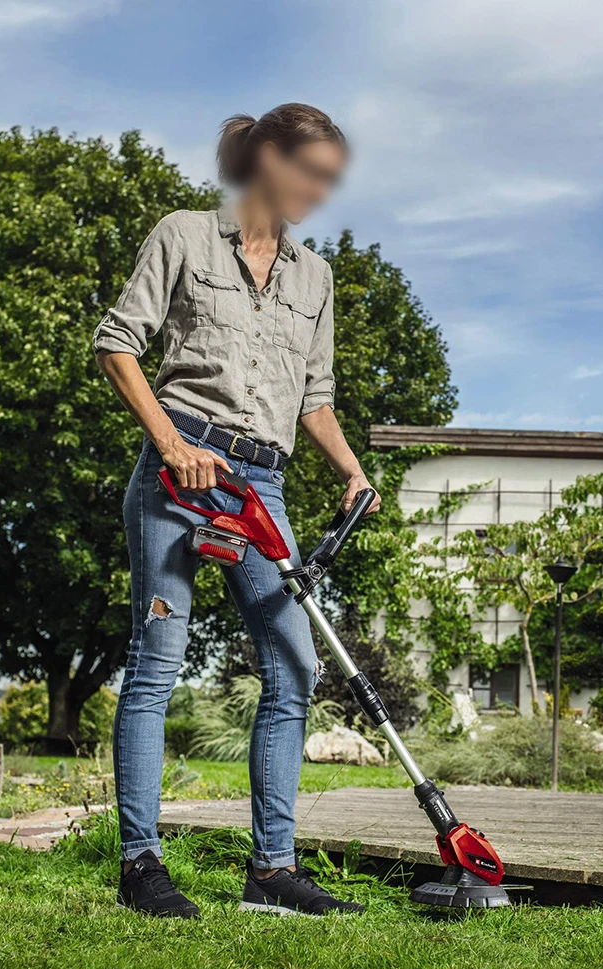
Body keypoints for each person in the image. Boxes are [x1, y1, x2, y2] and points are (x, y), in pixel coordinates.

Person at [94, 103, 380, 918]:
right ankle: (140, 863)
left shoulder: (313, 276)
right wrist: (172, 443)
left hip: (263, 487)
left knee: (295, 664)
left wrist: (352, 470)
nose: (319, 192)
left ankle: (271, 870)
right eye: (310, 172)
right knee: (157, 660)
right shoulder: (183, 234)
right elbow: (118, 342)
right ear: (265, 157)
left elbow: (314, 398)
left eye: (330, 179)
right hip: (180, 472)